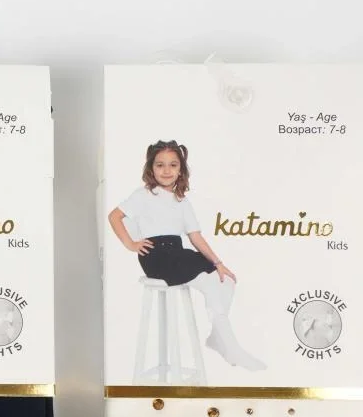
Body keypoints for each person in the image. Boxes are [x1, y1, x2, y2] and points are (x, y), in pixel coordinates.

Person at [108, 139, 264, 371]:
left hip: (178, 252)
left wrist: (218, 263)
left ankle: (218, 337)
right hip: (156, 255)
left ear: (181, 170)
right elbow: (114, 216)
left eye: (173, 165)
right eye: (160, 165)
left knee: (225, 280)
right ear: (151, 168)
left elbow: (195, 237)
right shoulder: (142, 195)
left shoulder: (181, 201)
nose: (166, 170)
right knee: (207, 281)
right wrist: (131, 244)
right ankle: (231, 347)